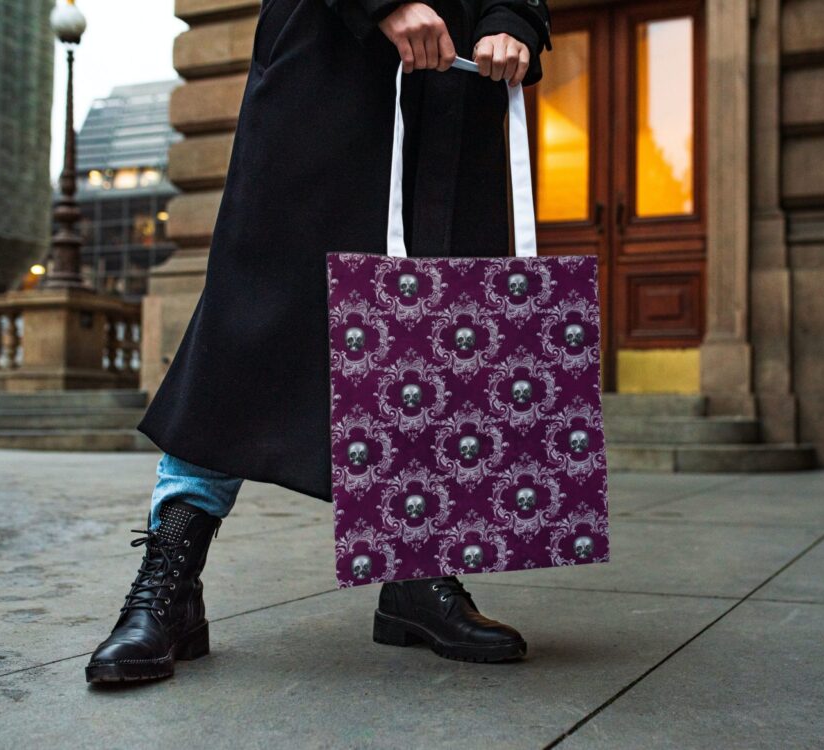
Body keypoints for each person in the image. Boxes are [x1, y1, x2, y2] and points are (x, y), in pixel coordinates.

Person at [85, 0, 552, 683]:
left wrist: (514, 14)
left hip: (455, 84)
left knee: (431, 335)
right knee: (253, 313)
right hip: (328, 58)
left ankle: (418, 576)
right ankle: (171, 581)